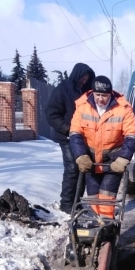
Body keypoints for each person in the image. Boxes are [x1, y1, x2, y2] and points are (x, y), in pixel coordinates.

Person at [69, 75, 135, 218]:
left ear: (111, 94)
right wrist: (81, 156)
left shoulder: (123, 108)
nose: (100, 99)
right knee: (93, 198)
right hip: (91, 160)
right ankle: (96, 230)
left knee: (106, 198)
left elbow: (132, 135)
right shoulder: (82, 107)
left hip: (113, 162)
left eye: (104, 95)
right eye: (98, 95)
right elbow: (75, 133)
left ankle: (107, 235)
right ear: (92, 93)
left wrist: (123, 158)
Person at [46, 63, 95, 214]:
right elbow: (51, 114)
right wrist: (68, 129)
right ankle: (66, 204)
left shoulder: (88, 92)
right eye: (82, 77)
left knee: (83, 168)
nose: (84, 80)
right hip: (66, 137)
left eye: (87, 78)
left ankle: (77, 201)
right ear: (76, 75)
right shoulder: (62, 90)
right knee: (72, 168)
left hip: (84, 137)